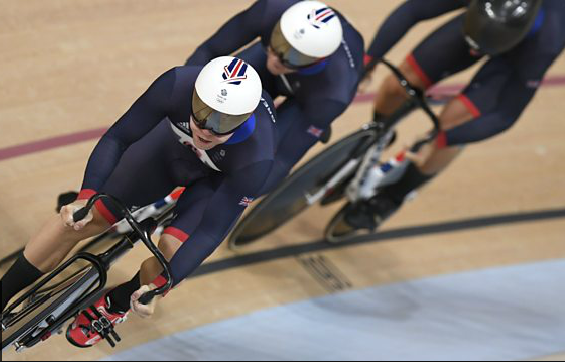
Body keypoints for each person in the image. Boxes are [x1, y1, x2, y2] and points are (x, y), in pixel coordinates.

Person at [1, 56, 278, 348]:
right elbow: (117, 138)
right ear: (194, 94)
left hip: (216, 182)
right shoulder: (176, 84)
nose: (206, 128)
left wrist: (158, 288)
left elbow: (210, 231)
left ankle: (118, 301)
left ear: (244, 118)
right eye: (201, 111)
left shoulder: (257, 157)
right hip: (170, 150)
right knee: (81, 218)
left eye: (222, 122)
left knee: (172, 255)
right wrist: (86, 195)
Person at [343, 0, 565, 232]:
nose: (473, 52)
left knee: (452, 124)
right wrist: (369, 61)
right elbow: (413, 10)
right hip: (481, 24)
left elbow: (505, 114)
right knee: (396, 87)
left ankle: (392, 197)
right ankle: (373, 141)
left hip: (519, 54)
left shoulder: (546, 41)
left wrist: (439, 140)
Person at [185, 0, 365, 196]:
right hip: (291, 71)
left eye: (294, 56)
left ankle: (312, 121)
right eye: (278, 41)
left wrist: (230, 198)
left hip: (312, 95)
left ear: (318, 59)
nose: (276, 60)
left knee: (261, 152)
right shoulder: (271, 9)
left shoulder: (332, 94)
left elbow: (281, 160)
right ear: (278, 26)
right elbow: (209, 51)